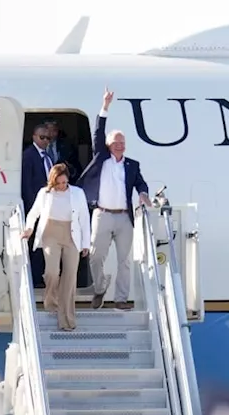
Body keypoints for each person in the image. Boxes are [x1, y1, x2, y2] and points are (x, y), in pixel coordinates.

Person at [77, 88, 150, 310]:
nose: (120, 145)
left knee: (124, 261)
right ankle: (100, 288)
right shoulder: (101, 159)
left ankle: (120, 300)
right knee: (96, 257)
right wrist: (105, 106)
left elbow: (140, 183)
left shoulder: (132, 165)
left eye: (123, 142)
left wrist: (144, 193)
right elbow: (99, 131)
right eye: (116, 142)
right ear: (108, 145)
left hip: (124, 217)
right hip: (102, 214)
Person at [23, 164, 92, 331]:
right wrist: (29, 228)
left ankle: (66, 318)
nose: (62, 186)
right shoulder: (44, 193)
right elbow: (34, 213)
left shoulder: (77, 193)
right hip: (50, 233)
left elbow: (84, 218)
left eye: (64, 182)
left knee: (70, 276)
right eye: (59, 183)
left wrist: (85, 243)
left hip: (72, 234)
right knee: (52, 272)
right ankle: (50, 300)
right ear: (52, 181)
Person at [21, 124, 55, 288]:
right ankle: (35, 279)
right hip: (35, 207)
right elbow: (26, 184)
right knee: (35, 242)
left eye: (48, 138)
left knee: (45, 242)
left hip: (49, 207)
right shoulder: (28, 156)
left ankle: (42, 276)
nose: (46, 141)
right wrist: (31, 207)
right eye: (42, 137)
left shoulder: (47, 157)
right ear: (34, 137)